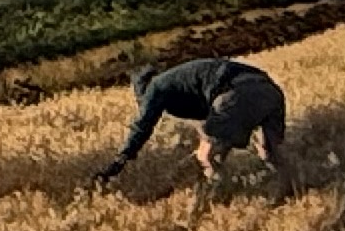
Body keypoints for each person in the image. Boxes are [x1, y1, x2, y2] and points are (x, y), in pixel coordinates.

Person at [97, 56, 288, 190]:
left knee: (207, 157)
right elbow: (211, 121)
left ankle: (223, 198)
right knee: (271, 153)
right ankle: (291, 186)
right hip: (270, 91)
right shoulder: (181, 80)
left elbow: (142, 127)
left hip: (236, 93)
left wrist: (120, 160)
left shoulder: (155, 87)